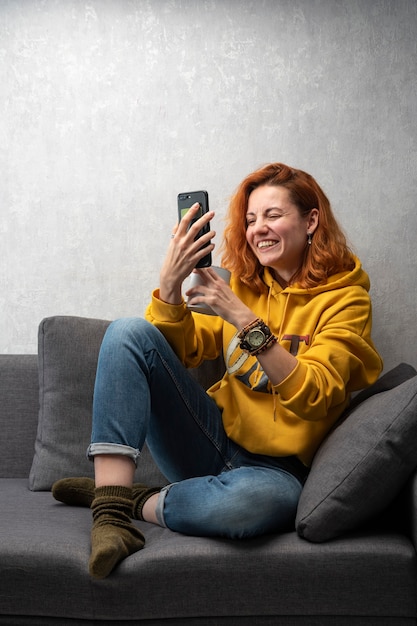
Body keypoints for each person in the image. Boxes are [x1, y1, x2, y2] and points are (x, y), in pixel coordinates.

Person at [53, 162, 383, 579]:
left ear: (311, 220)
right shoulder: (243, 283)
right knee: (127, 332)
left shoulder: (347, 301)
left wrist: (242, 318)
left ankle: (127, 499)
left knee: (249, 506)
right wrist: (170, 287)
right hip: (212, 441)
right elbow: (182, 352)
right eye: (250, 219)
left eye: (273, 215)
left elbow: (316, 395)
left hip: (278, 474)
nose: (258, 228)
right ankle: (111, 519)